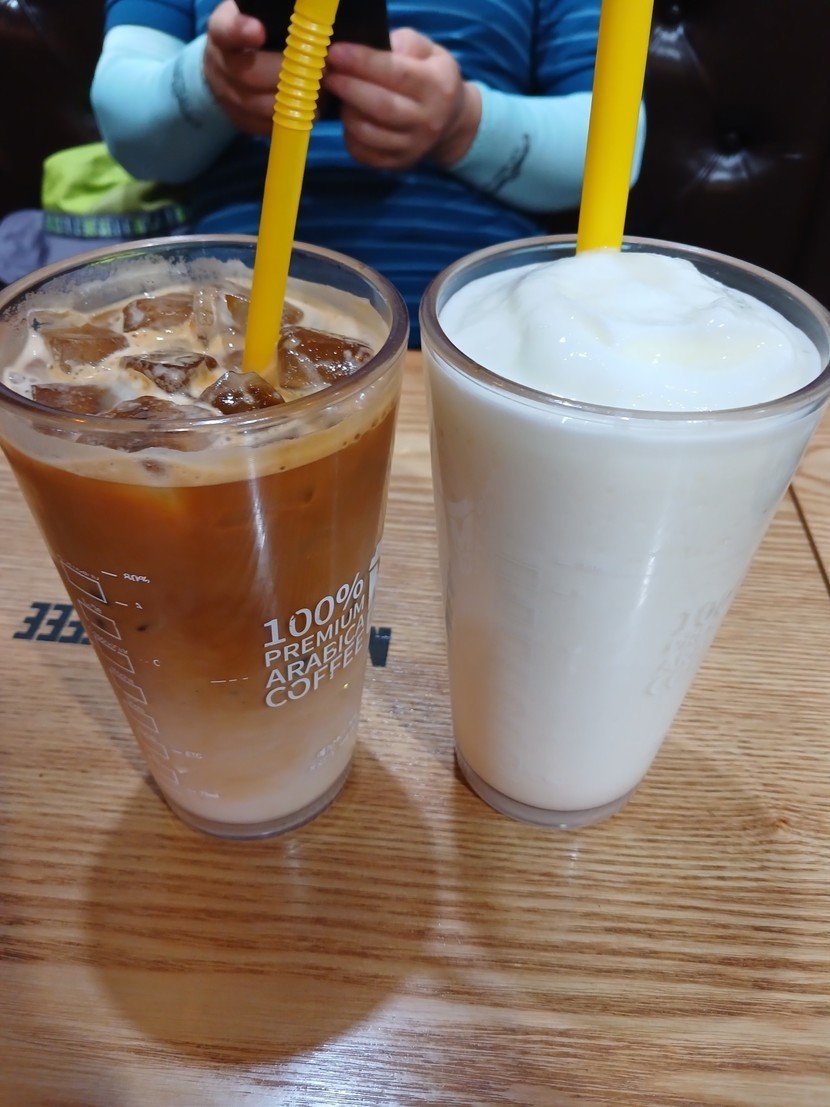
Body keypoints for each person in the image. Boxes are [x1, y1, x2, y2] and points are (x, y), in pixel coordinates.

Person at [91, 0, 645, 345]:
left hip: (478, 330)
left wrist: (462, 123)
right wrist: (208, 82)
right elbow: (127, 126)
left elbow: (616, 144)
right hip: (223, 319)